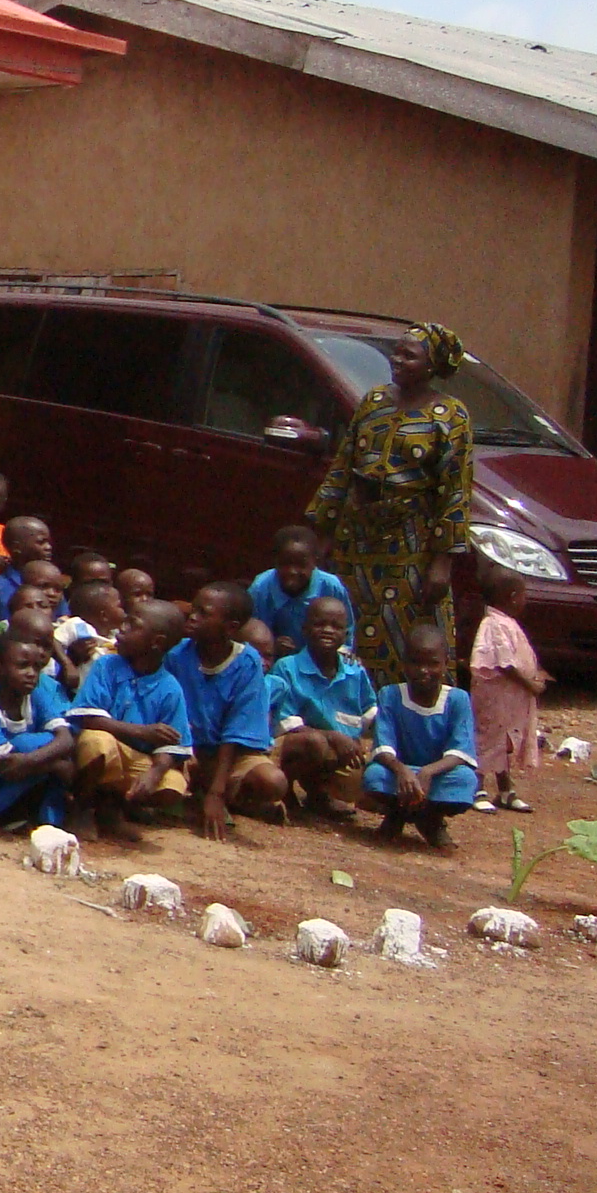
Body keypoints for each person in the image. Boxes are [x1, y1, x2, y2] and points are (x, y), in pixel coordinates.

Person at [307, 322, 476, 684]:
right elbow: (343, 465)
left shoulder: (449, 415)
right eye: (396, 353)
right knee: (350, 618)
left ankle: (407, 708)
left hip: (410, 542)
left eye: (408, 356)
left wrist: (442, 562)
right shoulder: (374, 402)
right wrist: (323, 530)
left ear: (431, 365)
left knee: (405, 623)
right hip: (357, 539)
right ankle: (351, 701)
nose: (397, 360)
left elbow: (456, 491)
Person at [66, 599, 191, 843]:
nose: (121, 630)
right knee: (97, 743)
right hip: (102, 751)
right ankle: (81, 808)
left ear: (157, 643)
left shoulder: (170, 687)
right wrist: (141, 732)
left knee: (173, 784)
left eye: (132, 626)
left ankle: (112, 811)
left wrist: (155, 772)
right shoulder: (107, 665)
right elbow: (87, 717)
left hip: (135, 760)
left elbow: (174, 744)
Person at [170, 581, 289, 837]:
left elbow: (237, 730)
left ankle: (226, 798)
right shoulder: (177, 654)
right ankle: (197, 792)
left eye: (204, 613)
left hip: (228, 754)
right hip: (183, 747)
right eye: (194, 609)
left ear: (231, 627)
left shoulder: (247, 662)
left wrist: (217, 792)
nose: (193, 617)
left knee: (272, 782)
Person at [365, 622, 479, 848]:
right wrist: (402, 771)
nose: (424, 671)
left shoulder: (457, 699)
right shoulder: (390, 695)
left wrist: (427, 772)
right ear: (404, 664)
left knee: (466, 781)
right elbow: (383, 747)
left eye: (433, 664)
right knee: (374, 776)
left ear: (446, 664)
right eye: (416, 663)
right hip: (399, 775)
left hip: (436, 777)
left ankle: (428, 819)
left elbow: (460, 751)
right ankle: (404, 815)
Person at [269, 594, 376, 821]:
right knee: (314, 743)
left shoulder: (354, 672)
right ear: (305, 629)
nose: (327, 630)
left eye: (336, 626)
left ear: (346, 634)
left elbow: (371, 714)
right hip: (294, 746)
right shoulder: (287, 668)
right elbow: (286, 723)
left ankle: (319, 796)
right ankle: (285, 791)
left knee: (367, 780)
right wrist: (332, 736)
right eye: (319, 624)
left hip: (339, 751)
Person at [0, 634, 76, 830]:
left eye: (36, 667)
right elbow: (7, 767)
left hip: (28, 772)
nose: (31, 673)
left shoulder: (35, 695)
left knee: (41, 747)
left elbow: (66, 739)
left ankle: (48, 821)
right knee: (28, 744)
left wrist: (32, 760)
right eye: (22, 666)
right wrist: (53, 764)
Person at [469, 566, 546, 813]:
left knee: (504, 743)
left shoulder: (505, 623)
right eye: (523, 595)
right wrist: (530, 684)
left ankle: (505, 790)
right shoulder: (494, 624)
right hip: (495, 699)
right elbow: (505, 663)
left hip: (509, 700)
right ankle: (476, 788)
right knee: (488, 740)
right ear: (512, 596)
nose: (526, 600)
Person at [247, 524, 350, 660]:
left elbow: (347, 629)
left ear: (315, 562)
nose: (292, 572)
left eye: (301, 565)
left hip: (323, 662)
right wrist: (272, 646)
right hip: (276, 664)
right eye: (285, 564)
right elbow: (249, 632)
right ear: (275, 561)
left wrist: (343, 652)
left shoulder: (331, 586)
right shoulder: (261, 588)